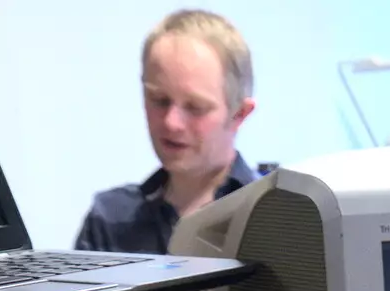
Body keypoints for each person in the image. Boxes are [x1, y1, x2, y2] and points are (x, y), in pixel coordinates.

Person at [75, 10, 257, 253]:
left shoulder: (270, 215)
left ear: (239, 114)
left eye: (195, 107)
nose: (172, 123)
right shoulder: (109, 219)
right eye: (159, 100)